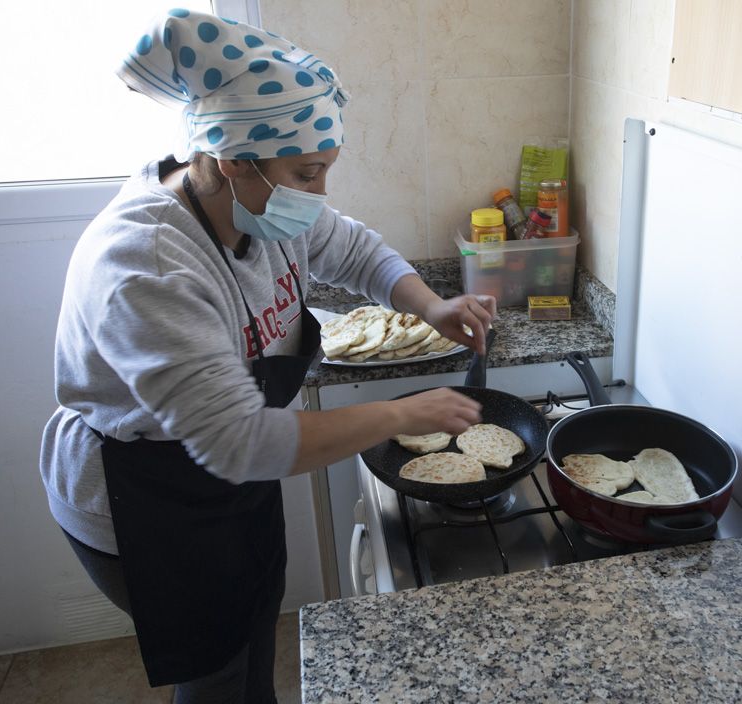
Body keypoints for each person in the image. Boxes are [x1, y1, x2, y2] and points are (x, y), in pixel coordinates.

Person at [39, 9, 494, 703]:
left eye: (325, 172)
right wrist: (402, 411)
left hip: (228, 477)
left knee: (253, 631)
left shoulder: (259, 206)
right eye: (308, 174)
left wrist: (430, 306)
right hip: (146, 497)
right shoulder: (149, 268)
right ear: (231, 162)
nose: (319, 196)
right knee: (215, 672)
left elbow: (354, 248)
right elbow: (243, 442)